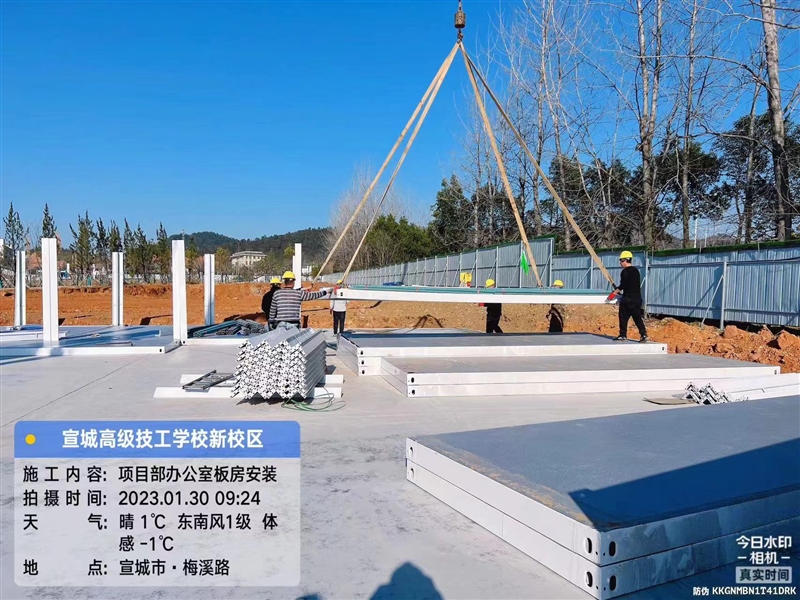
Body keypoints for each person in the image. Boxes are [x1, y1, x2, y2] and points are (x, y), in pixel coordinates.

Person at [613, 251, 648, 342]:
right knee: (637, 317)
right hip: (637, 299)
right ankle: (643, 334)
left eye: (621, 261)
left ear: (625, 260)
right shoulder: (636, 271)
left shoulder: (625, 271)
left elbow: (623, 285)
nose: (620, 263)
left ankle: (623, 335)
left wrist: (614, 293)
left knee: (623, 317)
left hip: (627, 299)